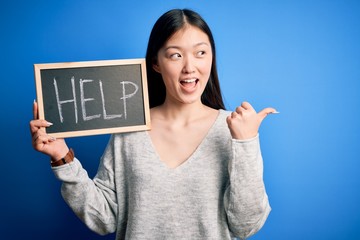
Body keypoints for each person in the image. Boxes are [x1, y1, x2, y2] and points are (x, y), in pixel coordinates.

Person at [30, 8, 276, 240]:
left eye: (201, 52)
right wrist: (62, 158)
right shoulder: (130, 130)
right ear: (156, 63)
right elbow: (104, 218)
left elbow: (245, 225)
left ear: (211, 58)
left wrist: (245, 143)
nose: (189, 67)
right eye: (175, 55)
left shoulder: (234, 130)